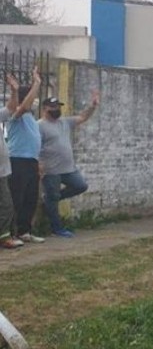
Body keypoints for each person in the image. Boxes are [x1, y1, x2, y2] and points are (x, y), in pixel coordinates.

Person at [39, 89, 100, 237]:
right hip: (51, 170)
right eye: (53, 107)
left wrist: (92, 106)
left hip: (68, 168)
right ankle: (57, 228)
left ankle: (50, 200)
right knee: (52, 199)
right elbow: (35, 146)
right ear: (45, 109)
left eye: (58, 107)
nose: (56, 110)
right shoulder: (39, 125)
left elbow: (82, 117)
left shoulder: (64, 122)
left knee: (80, 186)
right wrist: (39, 166)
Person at [4, 69, 44, 245]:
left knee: (30, 198)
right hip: (17, 160)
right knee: (16, 199)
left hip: (31, 162)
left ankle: (24, 231)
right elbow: (24, 106)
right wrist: (36, 83)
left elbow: (34, 143)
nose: (34, 101)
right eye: (31, 97)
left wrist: (38, 162)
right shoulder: (16, 115)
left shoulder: (32, 120)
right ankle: (11, 233)